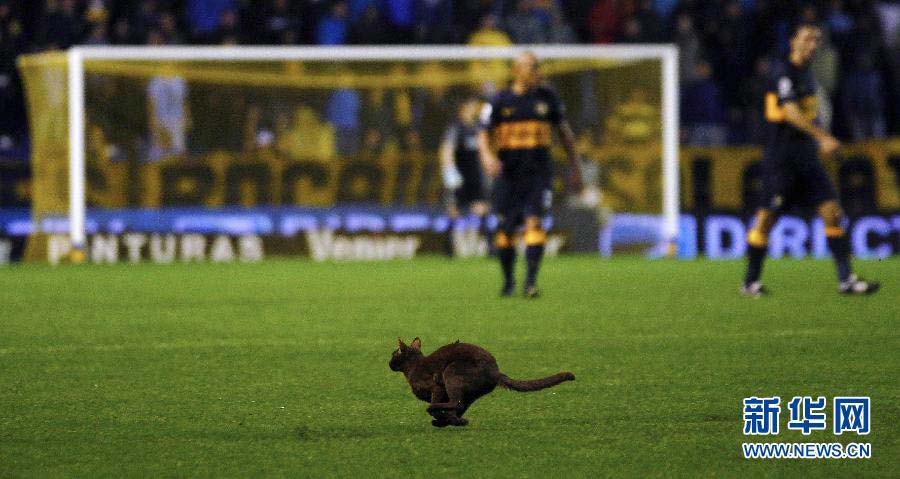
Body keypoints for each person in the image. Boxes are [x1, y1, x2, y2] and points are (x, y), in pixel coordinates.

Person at [742, 22, 879, 297]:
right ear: (792, 40)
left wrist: (819, 141)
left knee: (832, 213)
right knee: (766, 220)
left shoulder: (807, 75)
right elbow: (791, 113)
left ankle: (846, 280)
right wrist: (824, 138)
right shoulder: (783, 72)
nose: (812, 45)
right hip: (782, 159)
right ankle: (750, 282)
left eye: (816, 40)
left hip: (807, 158)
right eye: (806, 39)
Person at [478, 51, 582, 298]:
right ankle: (508, 281)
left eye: (538, 67)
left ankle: (531, 282)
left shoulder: (548, 99)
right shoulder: (499, 101)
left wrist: (575, 167)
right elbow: (483, 133)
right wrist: (487, 156)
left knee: (534, 223)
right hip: (508, 176)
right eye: (533, 67)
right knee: (505, 231)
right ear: (517, 69)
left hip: (539, 175)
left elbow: (564, 134)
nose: (538, 72)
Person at [440, 97, 490, 257]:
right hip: (459, 179)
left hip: (474, 179)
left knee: (482, 210)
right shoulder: (456, 128)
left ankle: (491, 247)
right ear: (463, 108)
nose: (474, 109)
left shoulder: (477, 129)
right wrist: (449, 172)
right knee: (454, 212)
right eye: (471, 106)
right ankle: (447, 249)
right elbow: (446, 150)